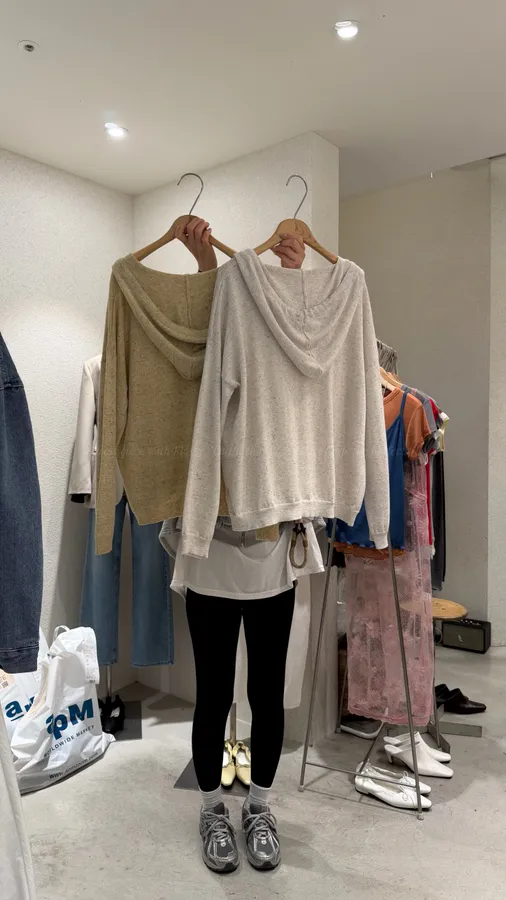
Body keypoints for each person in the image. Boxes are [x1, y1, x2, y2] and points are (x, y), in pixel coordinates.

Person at [176, 220, 306, 873]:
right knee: (213, 693)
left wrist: (292, 278)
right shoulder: (218, 336)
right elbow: (199, 346)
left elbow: (305, 359)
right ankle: (211, 810)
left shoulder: (282, 346)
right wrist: (207, 266)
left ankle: (259, 806)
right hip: (211, 548)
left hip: (272, 550)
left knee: (266, 693)